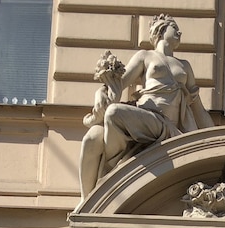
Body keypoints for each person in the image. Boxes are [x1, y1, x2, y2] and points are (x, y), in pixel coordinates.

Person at [79, 14, 214, 200]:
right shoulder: (145, 56)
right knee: (113, 112)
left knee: (114, 113)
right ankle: (111, 170)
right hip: (148, 117)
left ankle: (112, 168)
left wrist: (214, 139)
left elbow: (198, 109)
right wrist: (100, 94)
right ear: (161, 30)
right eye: (174, 28)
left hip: (169, 127)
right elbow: (119, 84)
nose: (179, 32)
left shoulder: (185, 66)